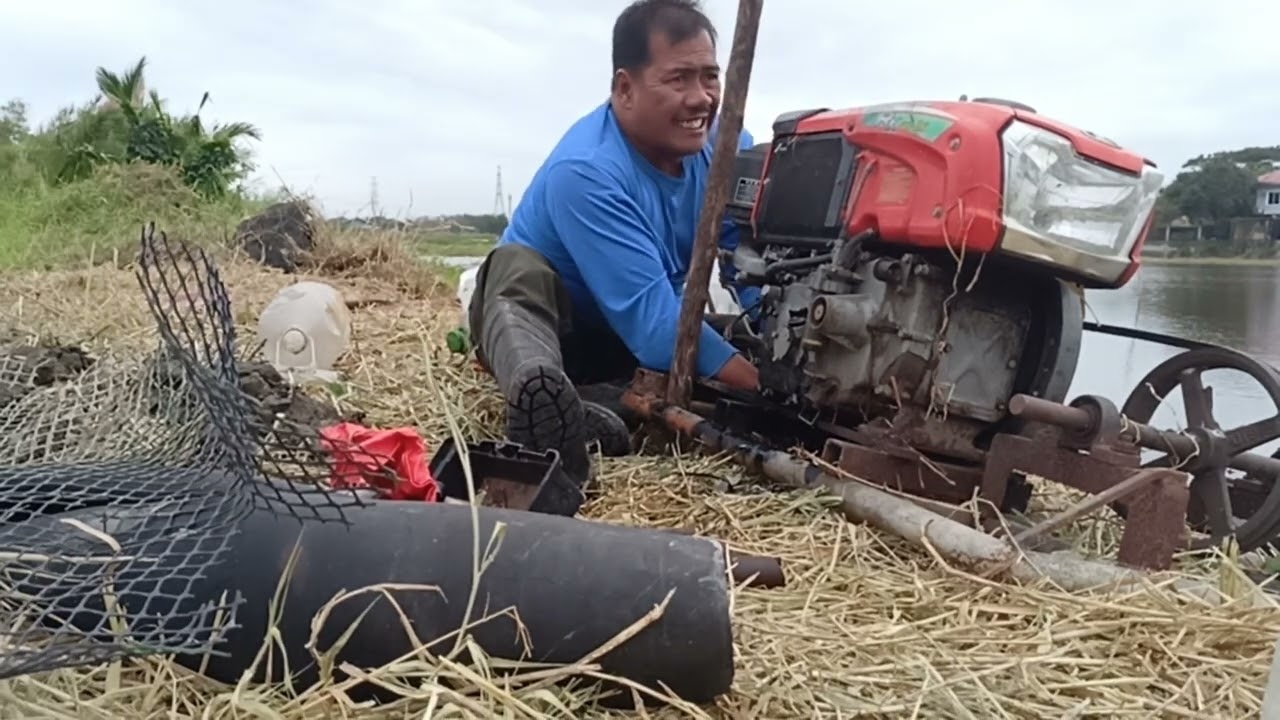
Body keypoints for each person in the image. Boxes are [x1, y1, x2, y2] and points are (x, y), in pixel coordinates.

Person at [467, 0, 760, 489]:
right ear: (625, 88)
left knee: (737, 340)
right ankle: (538, 397)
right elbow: (655, 327)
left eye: (710, 76)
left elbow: (744, 254)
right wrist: (761, 385)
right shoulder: (587, 171)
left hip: (629, 339)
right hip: (562, 329)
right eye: (678, 79)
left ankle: (599, 404)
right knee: (517, 272)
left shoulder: (724, 144)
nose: (702, 98)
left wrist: (777, 338)